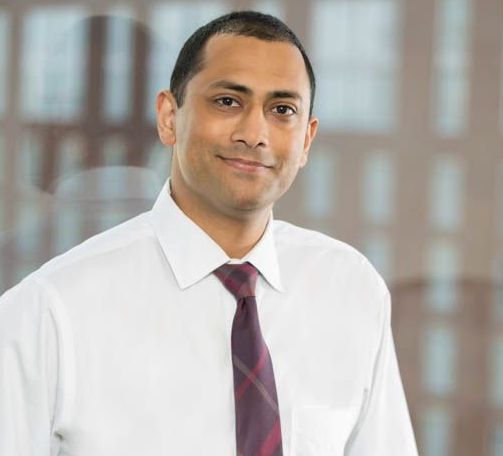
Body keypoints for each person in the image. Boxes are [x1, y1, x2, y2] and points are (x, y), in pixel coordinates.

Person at [0, 11, 417, 456]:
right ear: (168, 117)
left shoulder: (352, 290)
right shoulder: (49, 310)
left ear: (307, 141)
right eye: (227, 102)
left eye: (282, 110)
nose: (254, 133)